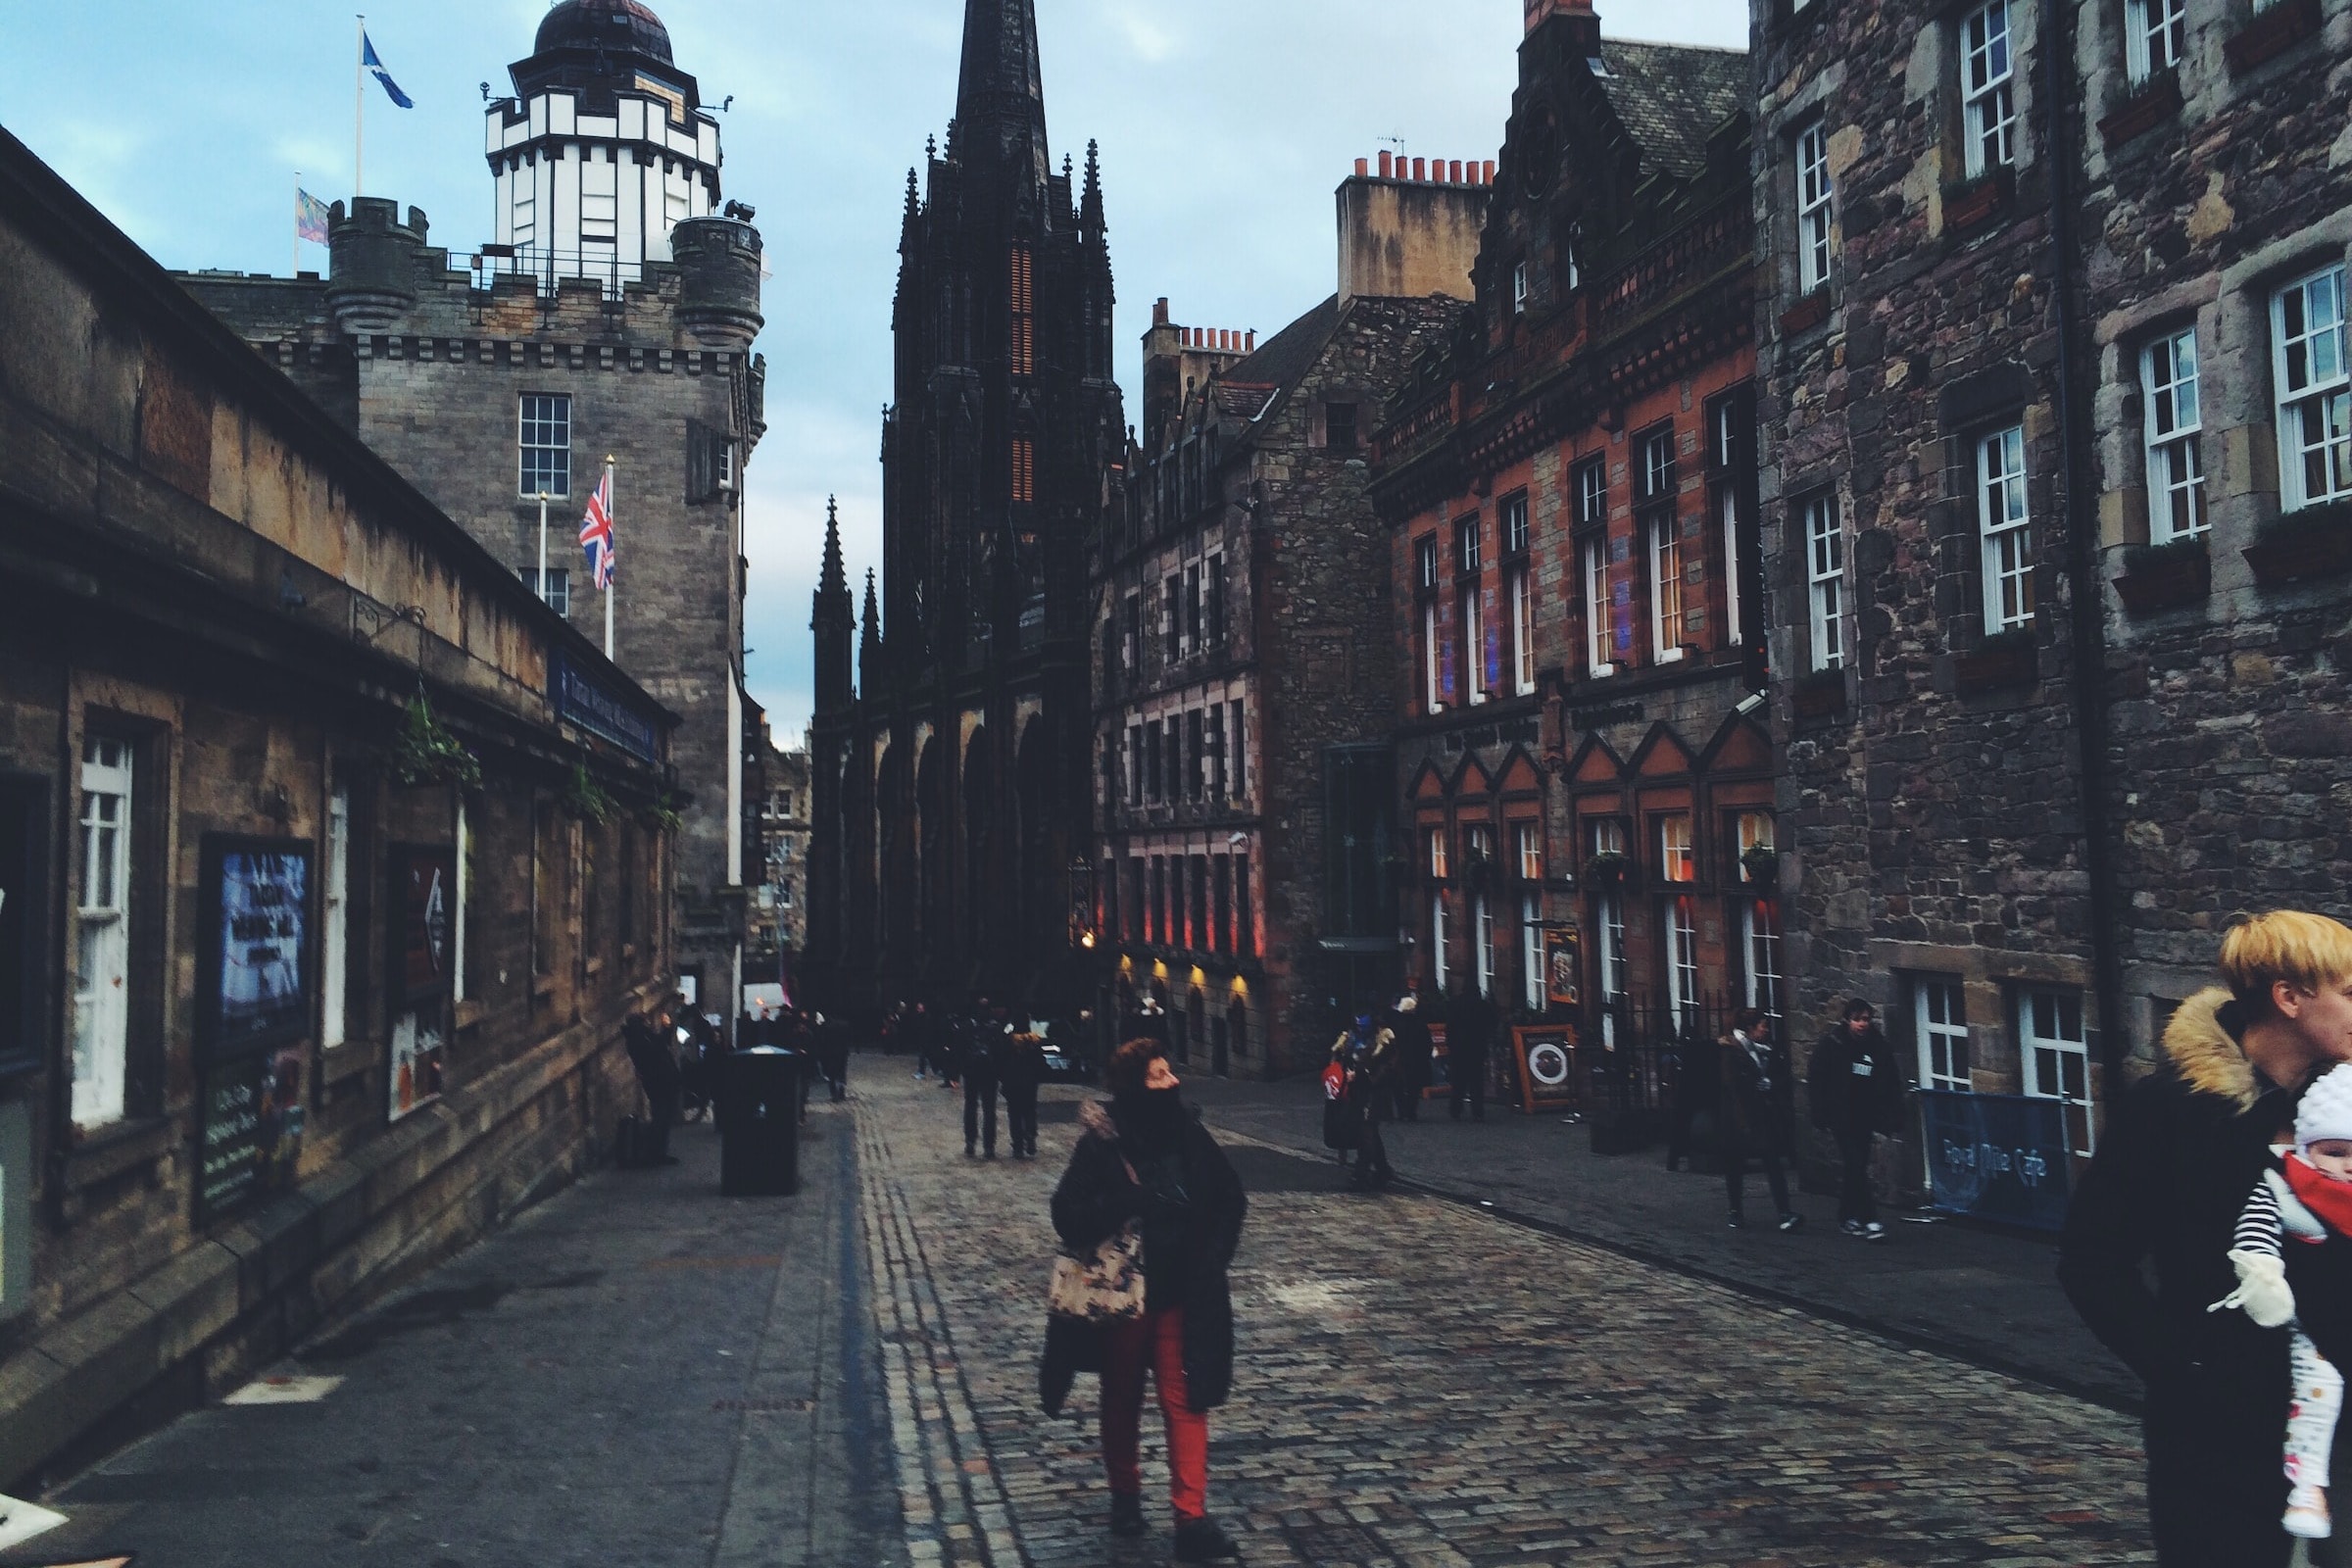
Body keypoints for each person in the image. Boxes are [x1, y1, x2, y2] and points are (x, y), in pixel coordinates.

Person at [2062, 911, 2352, 1566]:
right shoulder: (2172, 1110)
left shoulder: (2343, 1104)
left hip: (2335, 1422)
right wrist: (2186, 1368)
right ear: (2289, 997)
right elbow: (2091, 1260)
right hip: (2218, 1438)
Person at [1052, 1038, 1247, 1562]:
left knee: (1185, 1401)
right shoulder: (1102, 1142)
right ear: (1136, 1083)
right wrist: (1126, 1201)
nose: (1172, 1081)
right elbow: (1066, 1213)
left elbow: (1230, 1197)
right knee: (1122, 1396)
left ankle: (1191, 1516)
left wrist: (1212, 1257)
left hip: (1182, 1290)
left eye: (1170, 1072)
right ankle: (1126, 1496)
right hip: (1125, 1295)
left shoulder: (1189, 1132)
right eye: (1159, 1075)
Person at [2212, 1061, 2352, 1540]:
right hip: (2317, 1329)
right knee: (2318, 1391)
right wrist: (2262, 1275)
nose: (2349, 1165)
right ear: (2307, 1148)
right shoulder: (2284, 1188)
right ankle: (2308, 1484)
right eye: (2336, 1152)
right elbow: (2255, 1236)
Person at [1807, 1000, 1905, 1241]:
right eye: (1857, 1019)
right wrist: (1820, 1112)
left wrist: (1893, 1113)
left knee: (1857, 1166)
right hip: (1841, 1115)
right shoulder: (1833, 1045)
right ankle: (1869, 1218)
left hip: (1865, 1115)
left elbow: (1891, 1082)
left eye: (1865, 1019)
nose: (1862, 1024)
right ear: (1847, 1020)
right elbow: (1817, 1079)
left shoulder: (1878, 1047)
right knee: (1855, 1163)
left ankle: (1846, 1216)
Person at [1719, 1007, 1800, 1232]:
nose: (1766, 1030)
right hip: (1739, 1117)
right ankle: (1735, 1211)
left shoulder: (1766, 1049)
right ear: (1750, 1028)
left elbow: (1779, 1075)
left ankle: (1785, 1212)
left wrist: (1770, 1084)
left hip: (1763, 1116)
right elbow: (1732, 1087)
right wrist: (1743, 1118)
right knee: (1735, 1166)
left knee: (1773, 1161)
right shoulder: (1731, 1051)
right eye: (1763, 1026)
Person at [1333, 1012, 1398, 1191]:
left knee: (1367, 1132)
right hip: (1357, 1094)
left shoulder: (1384, 1040)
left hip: (1373, 1094)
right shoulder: (1352, 1039)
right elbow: (1344, 1060)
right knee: (1369, 1132)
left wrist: (1361, 1075)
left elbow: (1385, 1069)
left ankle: (1360, 1173)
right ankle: (1382, 1169)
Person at [622, 1009, 681, 1165]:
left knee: (662, 1116)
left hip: (657, 1082)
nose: (648, 1022)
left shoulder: (639, 1037)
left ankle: (658, 1152)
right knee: (661, 1117)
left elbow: (660, 1046)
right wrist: (666, 1027)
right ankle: (656, 1153)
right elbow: (659, 1048)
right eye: (645, 1020)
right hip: (659, 1082)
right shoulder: (641, 1037)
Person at [1002, 1021, 1046, 1158]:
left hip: (1013, 1081)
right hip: (1030, 1081)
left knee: (1014, 1113)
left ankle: (1018, 1144)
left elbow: (1003, 1060)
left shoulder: (1009, 1041)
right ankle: (1030, 1134)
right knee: (1030, 1110)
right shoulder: (1034, 1041)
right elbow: (1040, 1062)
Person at [1447, 990, 1492, 1122]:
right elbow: (1492, 1021)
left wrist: (1451, 1044)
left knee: (1458, 1082)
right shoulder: (1482, 1005)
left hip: (1459, 1049)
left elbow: (1449, 1027)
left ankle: (1455, 1109)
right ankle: (1477, 1111)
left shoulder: (1456, 1004)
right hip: (1477, 1048)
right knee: (1476, 1083)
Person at [962, 1013, 1002, 1157]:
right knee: (989, 1110)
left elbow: (960, 1049)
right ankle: (989, 1146)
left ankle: (970, 1142)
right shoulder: (996, 1028)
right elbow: (1000, 1052)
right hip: (990, 1074)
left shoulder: (967, 1026)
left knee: (971, 1107)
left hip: (971, 1072)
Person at [1390, 994, 1433, 1122]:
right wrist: (1425, 1057)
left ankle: (1402, 1111)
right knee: (1413, 1088)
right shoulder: (1420, 1024)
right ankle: (1411, 1112)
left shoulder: (1395, 1024)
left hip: (1400, 1059)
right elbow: (1427, 1043)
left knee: (1398, 1087)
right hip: (1416, 1059)